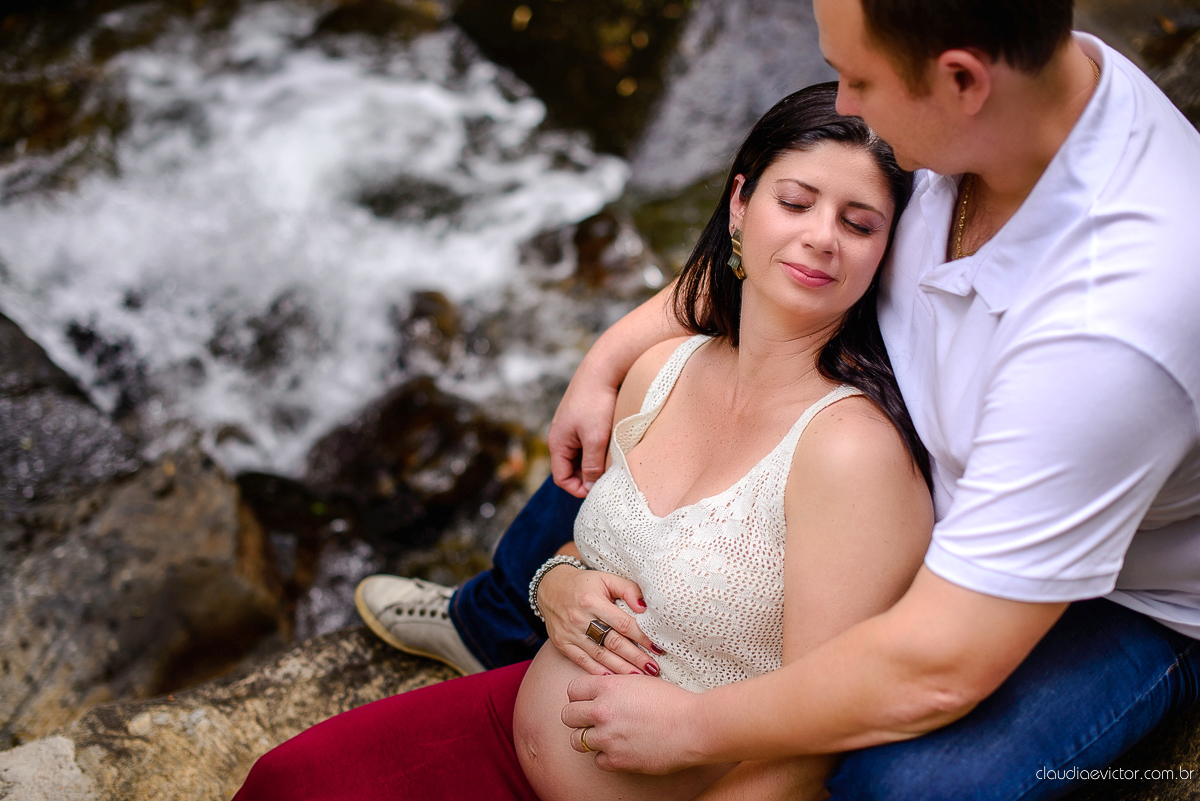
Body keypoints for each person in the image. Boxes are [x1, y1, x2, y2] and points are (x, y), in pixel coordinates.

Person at [362, 1, 1200, 799]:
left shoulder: (1109, 330)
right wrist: (606, 359)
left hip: (1125, 586)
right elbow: (772, 255)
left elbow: (937, 665)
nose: (844, 101)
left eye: (859, 78)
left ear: (959, 81)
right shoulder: (1006, 108)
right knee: (655, 410)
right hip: (959, 434)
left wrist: (695, 726)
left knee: (900, 785)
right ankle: (495, 620)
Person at [235, 83, 936, 801]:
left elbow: (816, 740)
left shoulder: (851, 455)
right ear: (739, 203)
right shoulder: (660, 372)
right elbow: (608, 551)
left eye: (858, 224)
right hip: (511, 729)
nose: (822, 236)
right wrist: (556, 585)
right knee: (282, 782)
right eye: (795, 203)